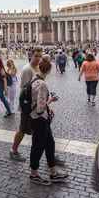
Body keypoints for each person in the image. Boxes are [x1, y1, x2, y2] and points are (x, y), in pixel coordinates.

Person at [28, 56, 68, 185]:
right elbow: (39, 108)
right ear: (50, 70)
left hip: (43, 118)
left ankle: (54, 172)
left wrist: (48, 108)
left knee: (50, 145)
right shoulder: (42, 84)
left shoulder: (35, 78)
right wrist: (51, 100)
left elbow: (37, 101)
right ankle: (34, 174)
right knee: (38, 147)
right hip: (38, 119)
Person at [9, 47, 42, 161]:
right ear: (31, 56)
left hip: (38, 104)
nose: (38, 58)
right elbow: (24, 88)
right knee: (23, 128)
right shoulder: (27, 69)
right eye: (36, 56)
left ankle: (49, 153)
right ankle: (13, 149)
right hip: (28, 105)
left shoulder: (38, 68)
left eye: (40, 56)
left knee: (42, 130)